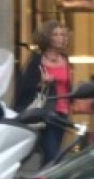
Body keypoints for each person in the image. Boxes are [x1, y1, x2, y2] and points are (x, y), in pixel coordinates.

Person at [15, 20, 73, 166]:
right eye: (56, 34)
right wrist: (41, 83)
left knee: (53, 154)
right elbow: (24, 88)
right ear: (47, 37)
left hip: (62, 113)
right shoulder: (37, 61)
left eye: (62, 34)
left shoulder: (65, 60)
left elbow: (67, 87)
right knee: (52, 154)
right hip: (45, 113)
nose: (61, 37)